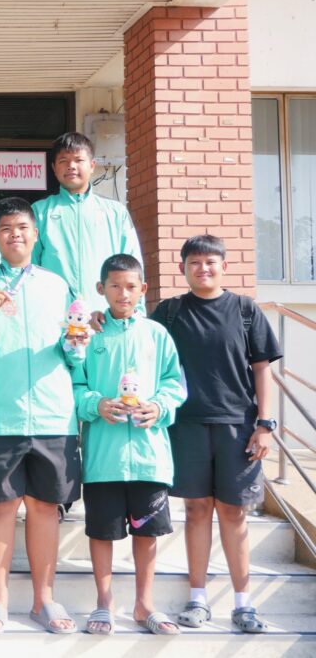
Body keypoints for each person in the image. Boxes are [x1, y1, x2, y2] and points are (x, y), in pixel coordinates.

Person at [0, 197, 81, 635]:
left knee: (45, 507)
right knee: (0, 506)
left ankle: (44, 600)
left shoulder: (57, 285)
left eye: (22, 228)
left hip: (52, 414)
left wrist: (78, 345)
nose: (15, 235)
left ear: (35, 233)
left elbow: (74, 348)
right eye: (6, 228)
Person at [152, 235, 282, 634]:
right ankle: (197, 598)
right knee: (196, 511)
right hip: (186, 426)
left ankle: (244, 604)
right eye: (195, 262)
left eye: (210, 262)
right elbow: (142, 348)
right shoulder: (169, 312)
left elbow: (262, 369)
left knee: (234, 512)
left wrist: (265, 425)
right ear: (182, 268)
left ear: (224, 266)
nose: (203, 269)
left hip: (238, 428)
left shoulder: (245, 310)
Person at [73, 254, 186, 636]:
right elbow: (75, 385)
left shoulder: (156, 334)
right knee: (101, 532)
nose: (123, 293)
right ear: (101, 289)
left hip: (150, 458)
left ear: (143, 289)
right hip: (103, 459)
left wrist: (160, 406)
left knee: (147, 533)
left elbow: (174, 383)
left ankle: (144, 604)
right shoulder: (90, 335)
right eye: (115, 286)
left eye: (131, 287)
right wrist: (96, 404)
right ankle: (104, 603)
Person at [32, 132, 141, 312]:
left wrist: (137, 312)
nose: (71, 166)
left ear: (92, 165)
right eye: (63, 161)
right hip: (53, 313)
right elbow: (29, 266)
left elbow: (133, 264)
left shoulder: (115, 212)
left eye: (78, 160)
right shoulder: (39, 212)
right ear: (54, 168)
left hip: (105, 314)